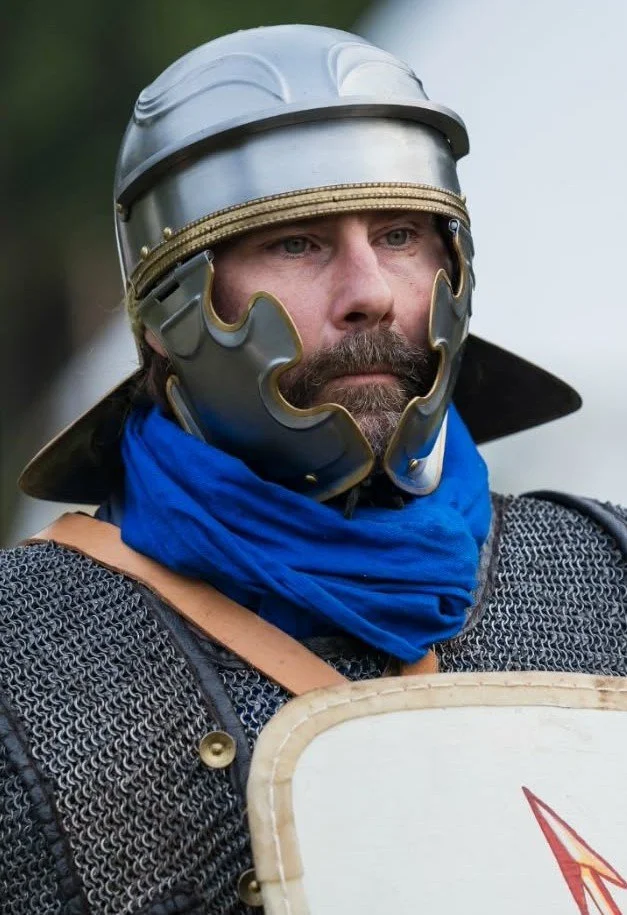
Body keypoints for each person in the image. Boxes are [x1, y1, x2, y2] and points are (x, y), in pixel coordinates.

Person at [2, 23, 625, 915]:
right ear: (167, 309)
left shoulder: (604, 575)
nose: (369, 288)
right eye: (295, 243)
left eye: (402, 234)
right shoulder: (24, 660)